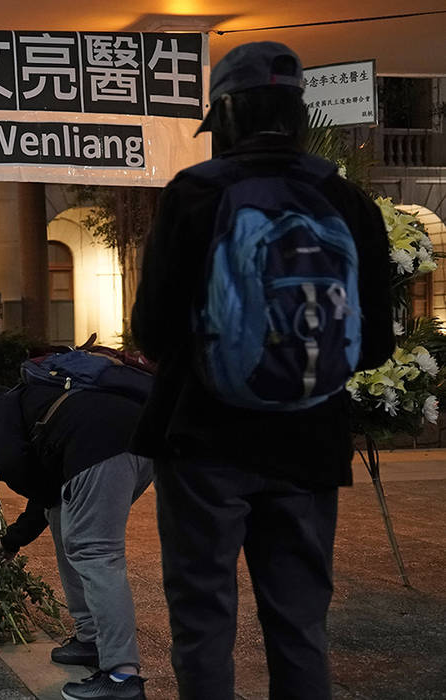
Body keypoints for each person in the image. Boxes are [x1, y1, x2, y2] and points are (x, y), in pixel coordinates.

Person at [130, 41, 394, 700]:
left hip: (204, 442)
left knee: (203, 620)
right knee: (301, 624)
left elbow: (153, 331)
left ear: (227, 116)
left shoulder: (194, 193)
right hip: (311, 441)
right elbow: (378, 344)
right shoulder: (346, 199)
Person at [0, 349, 154, 700]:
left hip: (102, 448)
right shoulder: (38, 402)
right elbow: (49, 497)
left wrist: (16, 528)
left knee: (97, 552)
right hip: (142, 441)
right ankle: (91, 638)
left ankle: (121, 676)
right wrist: (11, 542)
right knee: (64, 520)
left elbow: (15, 466)